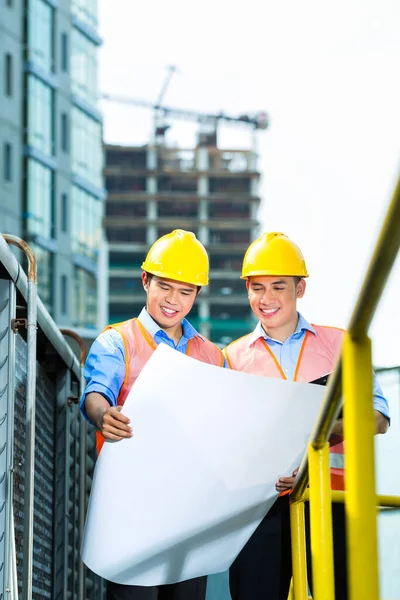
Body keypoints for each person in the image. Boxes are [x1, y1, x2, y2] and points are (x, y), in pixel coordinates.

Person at [224, 232, 390, 600]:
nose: (266, 299)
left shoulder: (341, 345)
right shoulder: (231, 358)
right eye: (257, 287)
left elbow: (377, 416)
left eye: (278, 287)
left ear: (300, 289)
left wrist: (316, 439)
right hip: (260, 509)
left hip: (332, 501)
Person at [80, 229, 226, 600]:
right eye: (165, 286)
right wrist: (104, 415)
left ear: (197, 295)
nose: (173, 300)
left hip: (191, 513)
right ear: (146, 280)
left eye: (186, 291)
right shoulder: (117, 341)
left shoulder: (213, 356)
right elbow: (96, 394)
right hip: (132, 509)